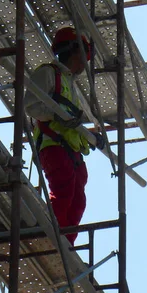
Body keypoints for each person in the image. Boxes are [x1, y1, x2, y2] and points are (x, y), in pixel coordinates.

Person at [24, 26, 104, 245]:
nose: (85, 63)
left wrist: (93, 137)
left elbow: (70, 120)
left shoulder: (69, 82)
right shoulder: (49, 73)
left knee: (78, 201)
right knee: (64, 191)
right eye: (84, 55)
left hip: (70, 150)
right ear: (74, 50)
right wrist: (54, 116)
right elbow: (30, 106)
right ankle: (53, 239)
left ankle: (66, 243)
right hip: (53, 145)